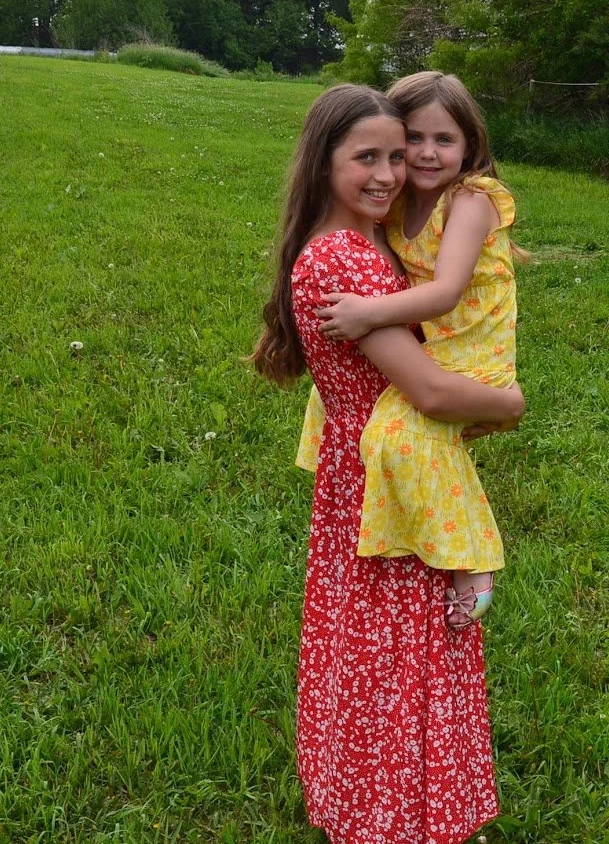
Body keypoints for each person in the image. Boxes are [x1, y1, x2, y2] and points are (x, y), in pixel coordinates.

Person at [252, 83, 518, 844]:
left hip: (364, 465)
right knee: (397, 653)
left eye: (395, 156)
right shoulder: (346, 257)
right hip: (388, 477)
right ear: (322, 162)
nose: (389, 173)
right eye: (366, 157)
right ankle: (391, 817)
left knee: (370, 647)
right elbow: (429, 390)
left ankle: (371, 801)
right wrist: (509, 405)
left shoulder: (372, 242)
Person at [300, 71, 523, 629]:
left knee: (403, 432)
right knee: (366, 415)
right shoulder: (394, 209)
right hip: (437, 347)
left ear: (470, 145)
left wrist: (368, 313)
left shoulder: (469, 201)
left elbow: (445, 292)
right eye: (411, 142)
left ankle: (472, 557)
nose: (423, 154)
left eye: (443, 139)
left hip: (473, 348)